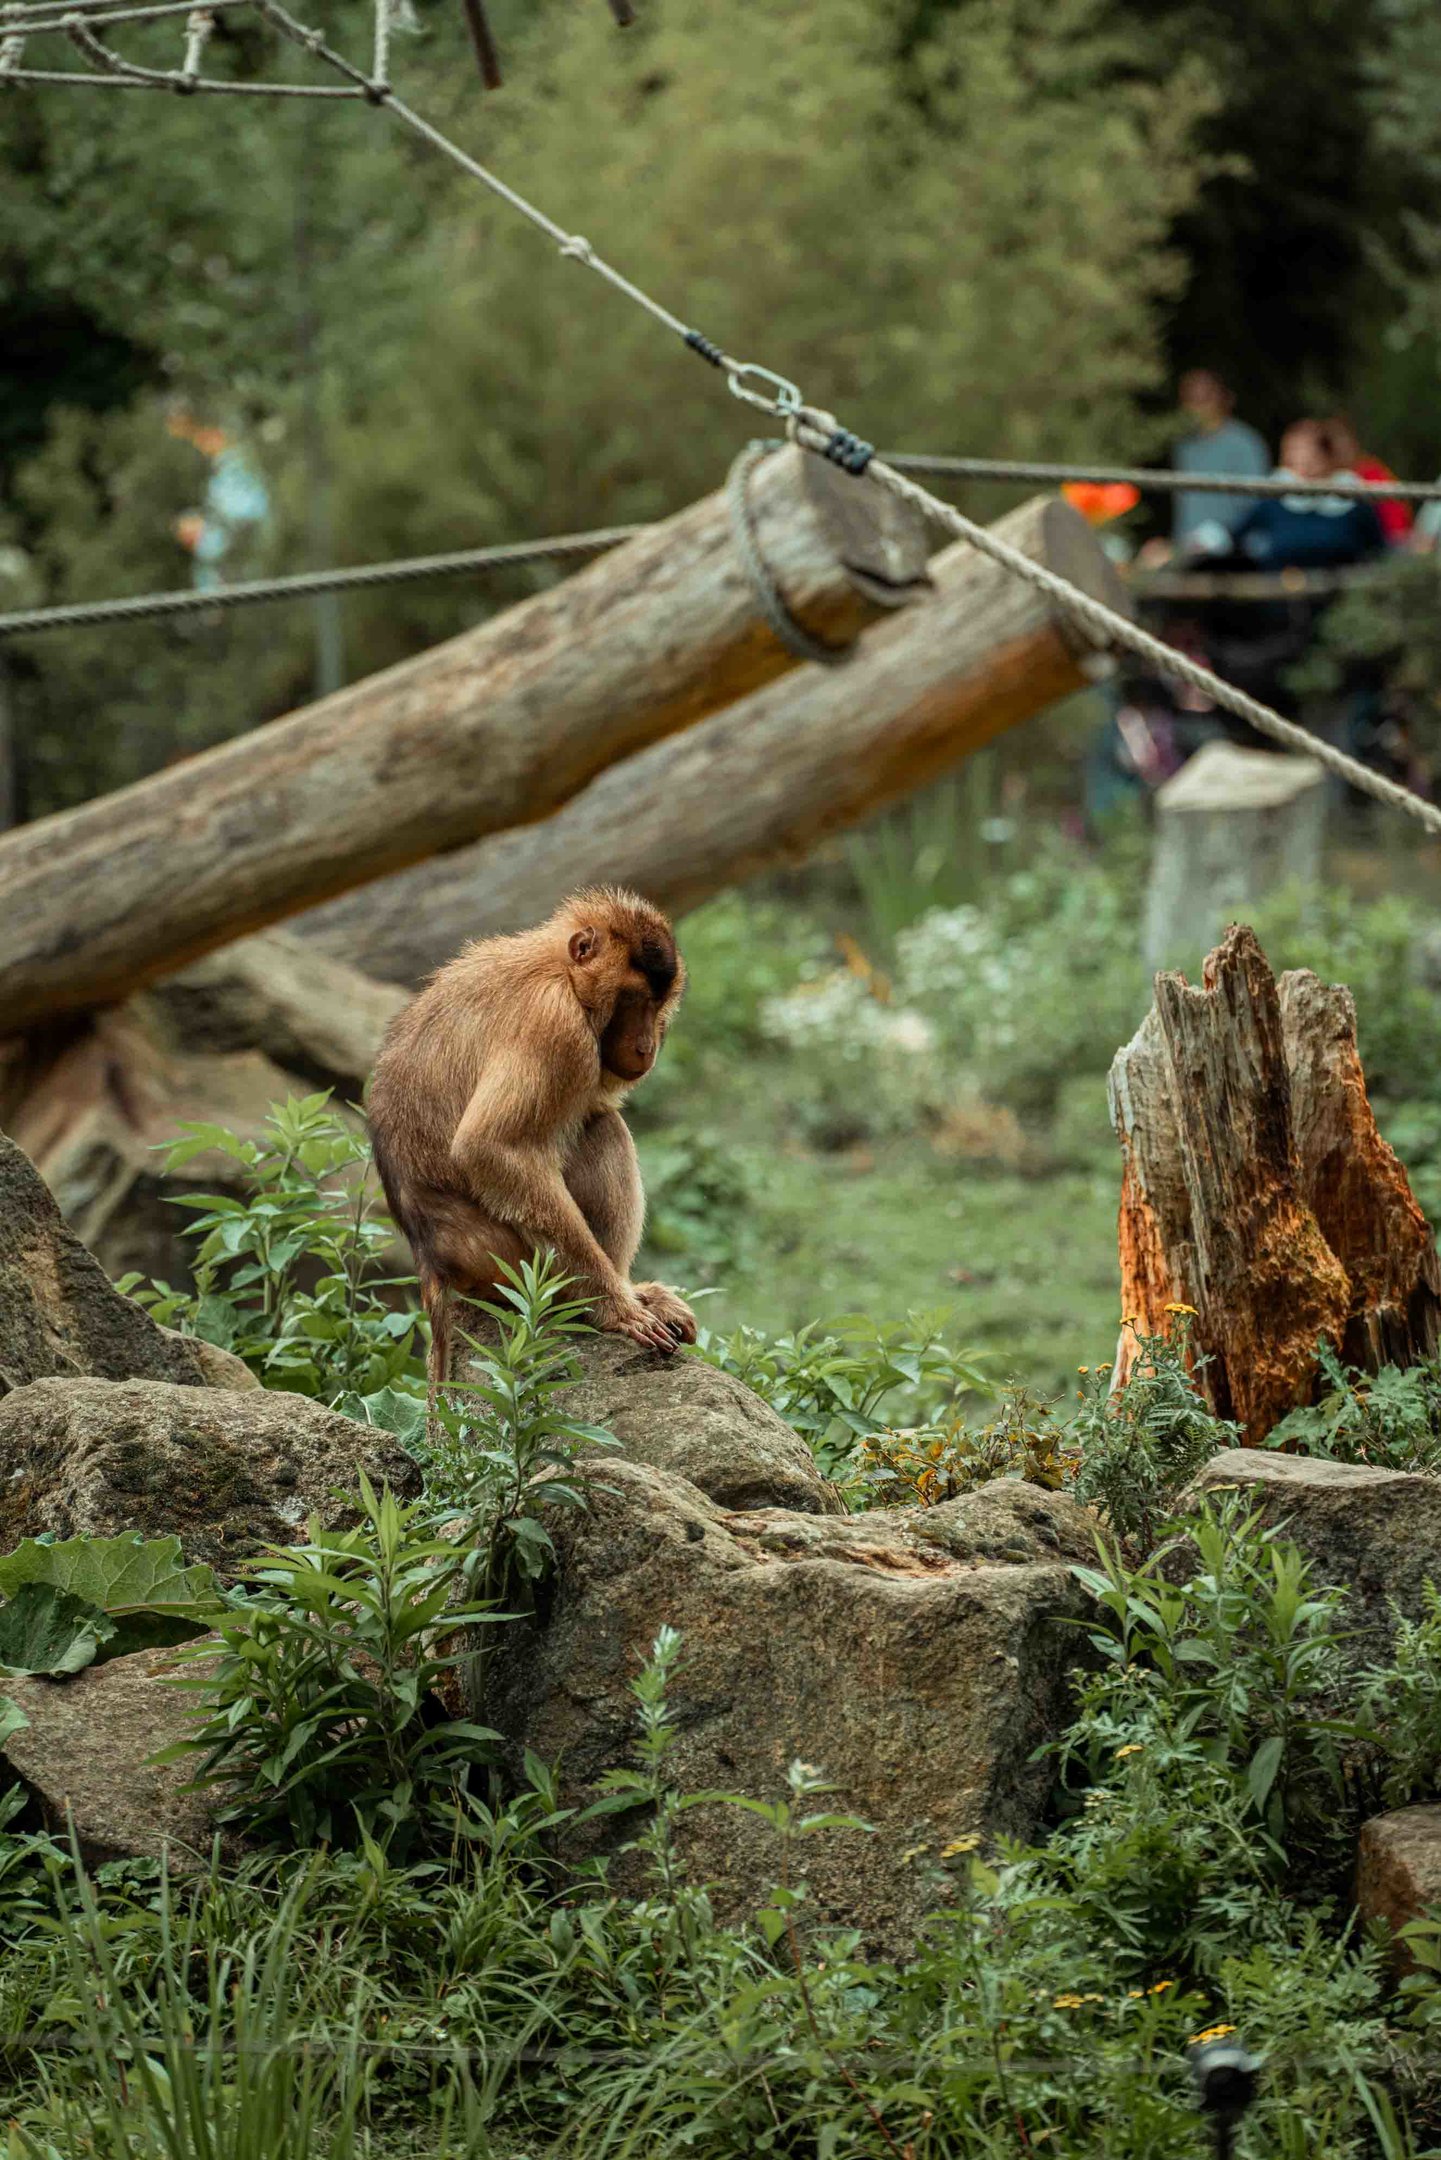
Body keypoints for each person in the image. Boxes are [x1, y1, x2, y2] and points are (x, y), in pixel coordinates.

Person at [1219, 419, 1386, 570]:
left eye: (1308, 450)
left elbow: (1378, 549)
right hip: (1281, 588)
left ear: (1327, 454)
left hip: (1340, 590)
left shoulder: (1353, 497)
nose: (1302, 459)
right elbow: (1235, 535)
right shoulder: (1275, 497)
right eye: (1293, 451)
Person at [1166, 369, 1270, 558]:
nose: (1197, 407)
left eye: (1204, 398)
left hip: (1236, 552)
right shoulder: (1183, 446)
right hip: (1188, 551)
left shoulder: (1245, 443)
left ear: (1223, 398)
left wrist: (1218, 535)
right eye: (1190, 399)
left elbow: (1255, 504)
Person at [1324, 414, 1412, 543]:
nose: (1339, 447)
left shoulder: (1371, 472)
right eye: (1330, 444)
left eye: (1343, 440)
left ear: (1354, 442)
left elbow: (1396, 521)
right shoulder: (1318, 480)